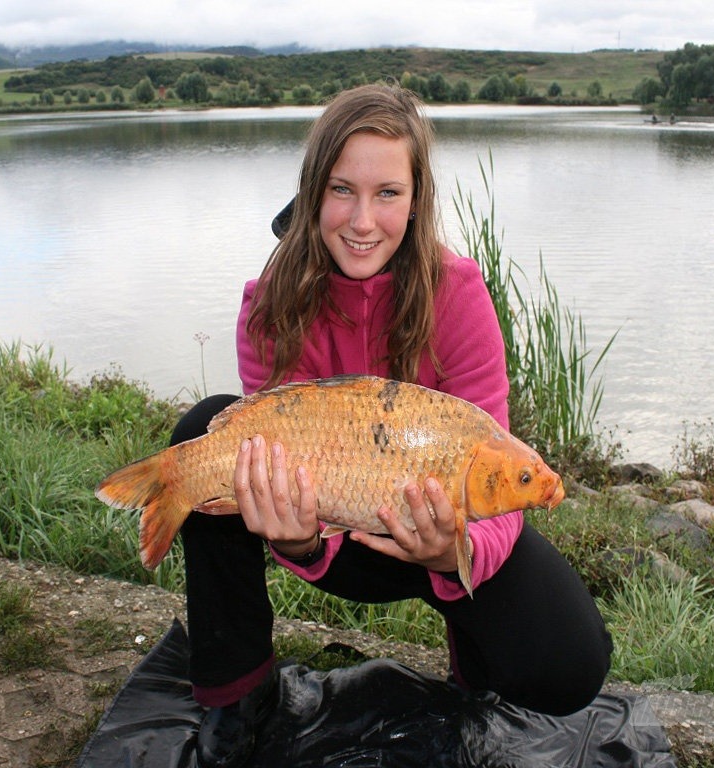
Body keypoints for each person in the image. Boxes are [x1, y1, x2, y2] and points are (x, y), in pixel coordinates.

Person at [172, 83, 613, 768]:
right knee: (204, 434)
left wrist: (451, 554)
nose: (362, 220)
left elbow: (493, 456)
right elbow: (272, 448)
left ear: (416, 199)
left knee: (572, 662)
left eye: (388, 194)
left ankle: (471, 661)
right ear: (314, 189)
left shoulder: (459, 294)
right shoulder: (269, 305)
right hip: (332, 532)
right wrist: (296, 539)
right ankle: (239, 696)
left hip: (442, 541)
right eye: (342, 189)